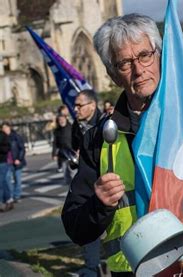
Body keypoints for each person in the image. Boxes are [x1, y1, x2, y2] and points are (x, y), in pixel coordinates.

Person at [61, 14, 183, 277]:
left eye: (145, 55)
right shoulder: (98, 140)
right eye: (124, 63)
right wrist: (98, 205)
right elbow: (76, 228)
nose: (139, 69)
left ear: (160, 57)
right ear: (112, 75)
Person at [72, 89, 104, 277]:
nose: (76, 109)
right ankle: (92, 267)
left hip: (107, 183)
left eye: (79, 105)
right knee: (89, 226)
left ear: (92, 105)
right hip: (87, 183)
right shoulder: (78, 125)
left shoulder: (106, 123)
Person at [2, 122, 26, 203]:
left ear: (9, 127)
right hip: (7, 162)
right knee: (7, 179)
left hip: (16, 161)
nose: (4, 129)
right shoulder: (3, 138)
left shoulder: (16, 136)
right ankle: (10, 196)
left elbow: (22, 148)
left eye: (6, 127)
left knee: (17, 179)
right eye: (3, 128)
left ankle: (17, 195)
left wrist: (19, 159)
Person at [52, 114, 74, 184]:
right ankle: (70, 189)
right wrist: (54, 154)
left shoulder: (72, 128)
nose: (61, 121)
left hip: (73, 153)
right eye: (59, 120)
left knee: (73, 173)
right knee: (65, 174)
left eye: (62, 119)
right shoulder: (56, 131)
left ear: (66, 119)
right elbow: (55, 143)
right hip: (63, 154)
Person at [0, 128, 13, 212]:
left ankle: (6, 200)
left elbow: (7, 147)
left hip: (2, 162)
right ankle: (7, 200)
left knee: (2, 181)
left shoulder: (2, 135)